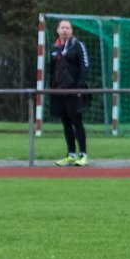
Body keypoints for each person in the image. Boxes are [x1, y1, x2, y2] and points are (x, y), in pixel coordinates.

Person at [48, 19, 91, 167]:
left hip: (74, 91)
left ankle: (83, 154)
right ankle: (71, 154)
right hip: (59, 92)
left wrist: (79, 88)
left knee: (77, 122)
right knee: (65, 123)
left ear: (71, 30)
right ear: (58, 30)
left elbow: (85, 67)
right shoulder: (54, 48)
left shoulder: (78, 46)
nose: (65, 30)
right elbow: (51, 71)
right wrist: (51, 89)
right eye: (62, 27)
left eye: (67, 27)